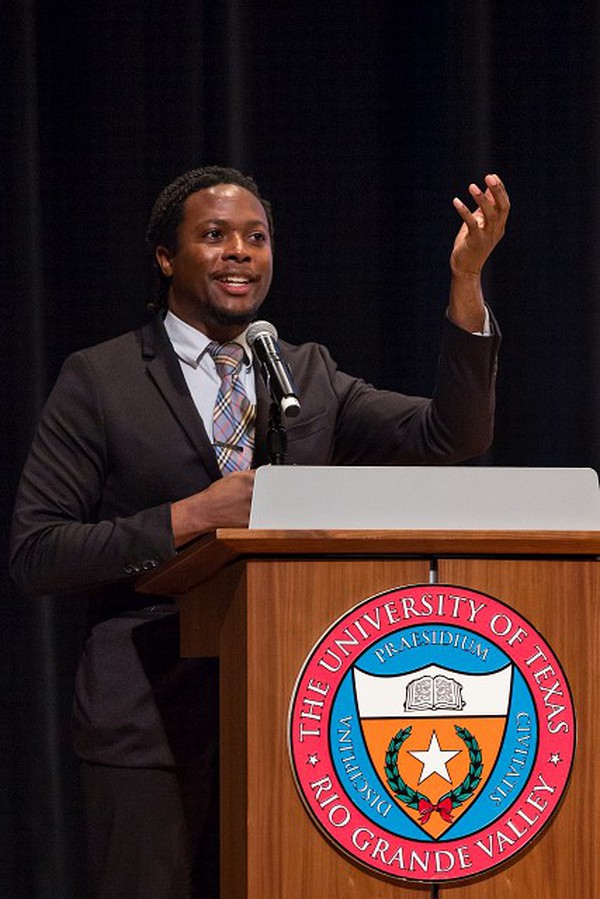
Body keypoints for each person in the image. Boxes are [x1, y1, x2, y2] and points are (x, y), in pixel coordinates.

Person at [10, 165, 509, 898]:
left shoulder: (303, 372)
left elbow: (453, 433)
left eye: (256, 237)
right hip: (146, 721)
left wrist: (466, 281)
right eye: (214, 236)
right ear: (165, 256)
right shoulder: (101, 377)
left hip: (290, 712)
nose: (240, 251)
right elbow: (36, 551)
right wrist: (192, 517)